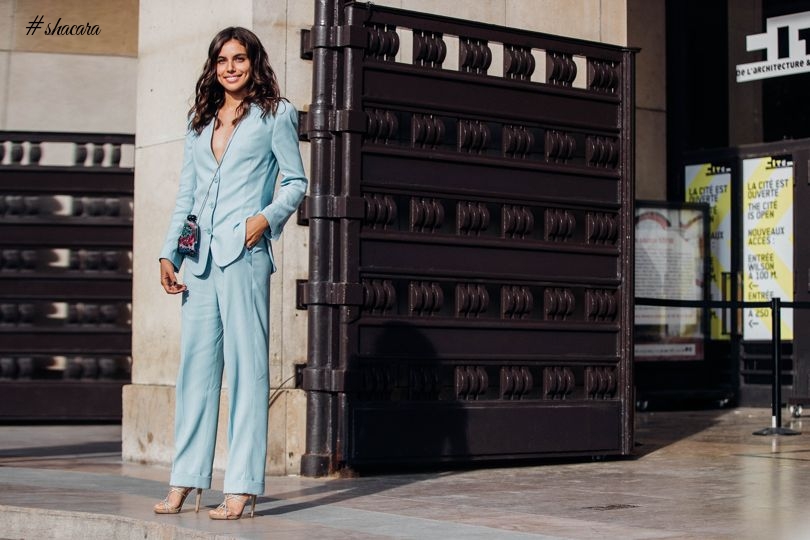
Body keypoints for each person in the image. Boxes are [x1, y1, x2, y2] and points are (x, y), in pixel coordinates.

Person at [153, 26, 307, 520]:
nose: (231, 67)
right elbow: (186, 194)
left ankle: (241, 486)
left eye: (239, 58)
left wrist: (261, 222)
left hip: (244, 257)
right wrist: (168, 253)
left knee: (246, 370)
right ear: (213, 67)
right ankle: (186, 478)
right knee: (194, 372)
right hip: (197, 263)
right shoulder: (199, 122)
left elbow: (296, 181)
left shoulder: (275, 113)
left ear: (253, 62)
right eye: (222, 60)